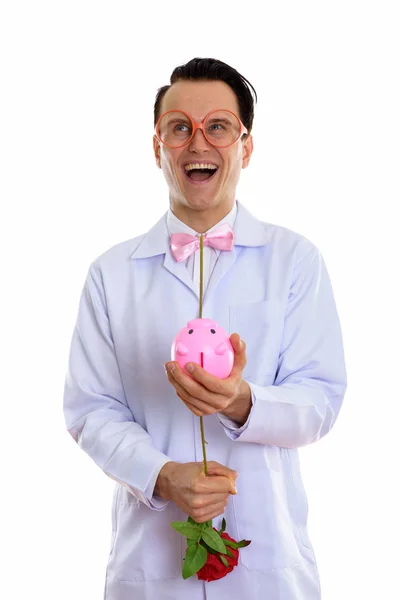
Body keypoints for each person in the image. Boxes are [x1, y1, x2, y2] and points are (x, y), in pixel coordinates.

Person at [63, 57, 347, 600]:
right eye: (179, 128)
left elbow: (321, 399)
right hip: (151, 568)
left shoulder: (294, 260)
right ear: (157, 147)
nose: (198, 143)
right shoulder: (110, 273)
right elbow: (90, 410)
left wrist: (242, 402)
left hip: (268, 562)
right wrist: (163, 474)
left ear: (246, 145)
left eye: (217, 126)